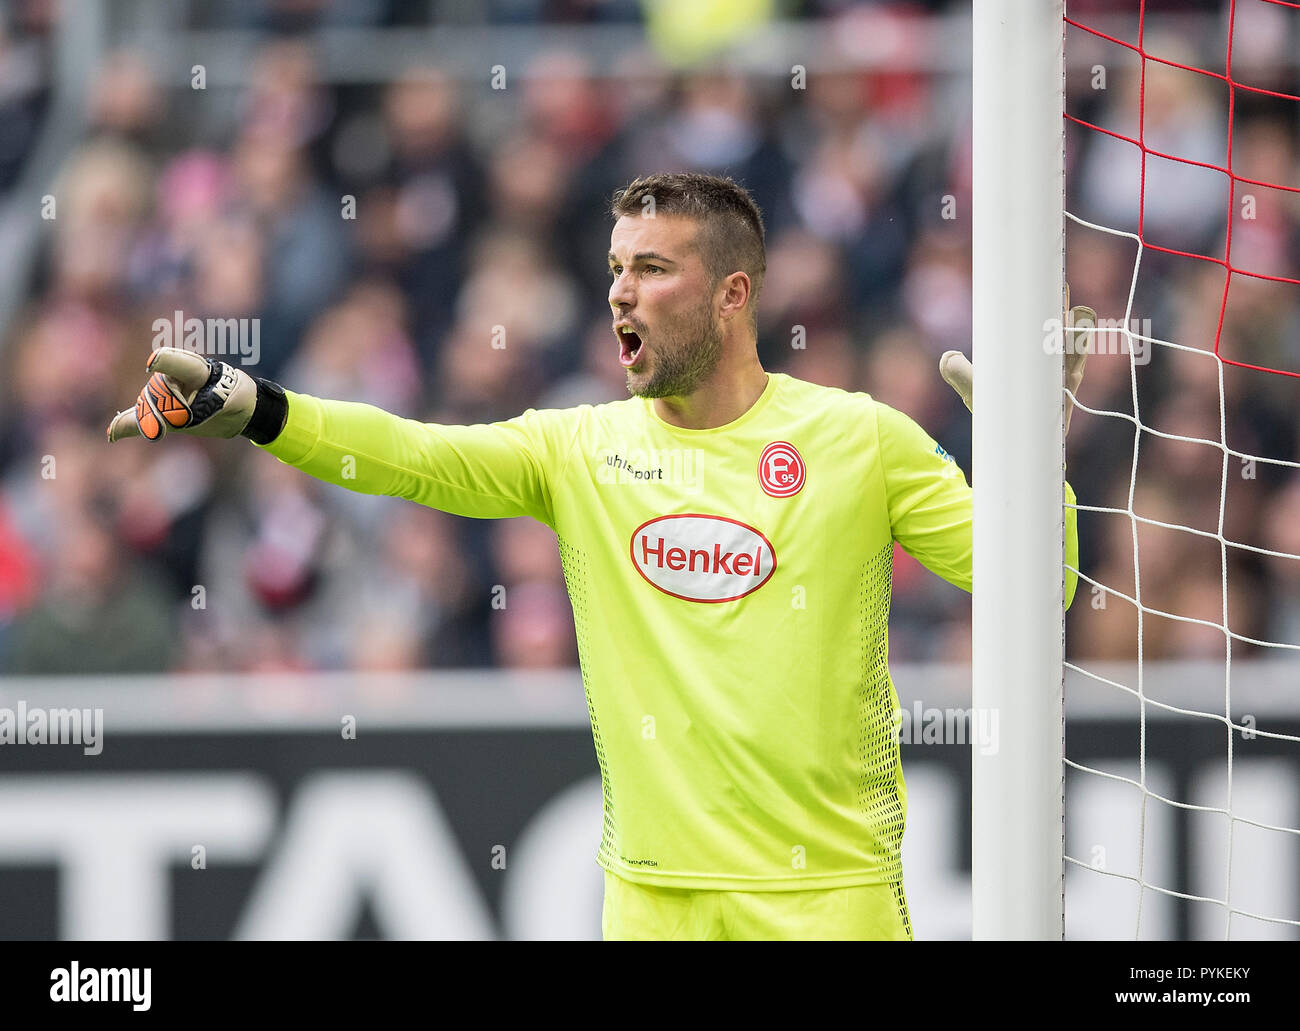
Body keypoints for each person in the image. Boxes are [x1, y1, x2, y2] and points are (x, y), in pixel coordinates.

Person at [108, 172, 1088, 941]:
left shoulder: (859, 438)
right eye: (617, 266)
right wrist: (260, 410)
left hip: (825, 895)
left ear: (732, 294)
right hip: (648, 900)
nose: (621, 289)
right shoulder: (579, 448)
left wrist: (1031, 457)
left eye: (654, 268)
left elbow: (1032, 586)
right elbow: (413, 455)